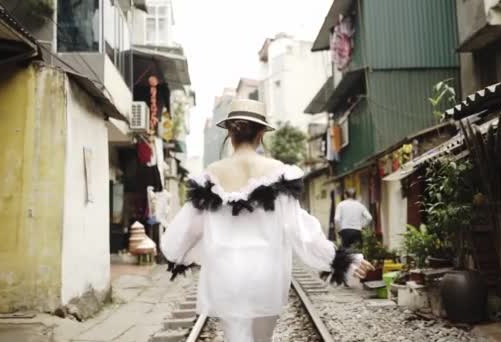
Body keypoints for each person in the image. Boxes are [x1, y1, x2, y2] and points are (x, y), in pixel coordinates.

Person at [160, 99, 374, 342]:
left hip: (225, 275)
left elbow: (188, 230)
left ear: (229, 132)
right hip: (266, 276)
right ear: (261, 133)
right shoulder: (279, 173)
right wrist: (342, 260)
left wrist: (178, 254)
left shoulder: (210, 175)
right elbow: (300, 230)